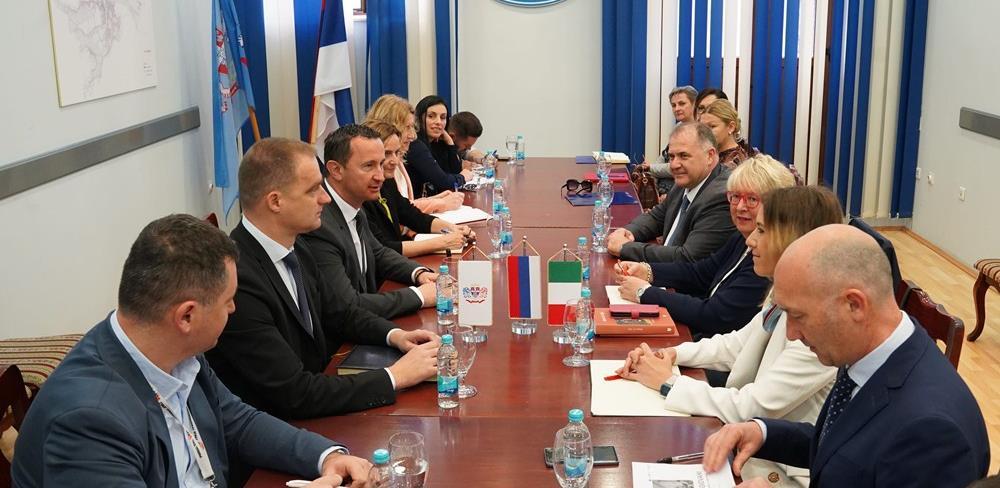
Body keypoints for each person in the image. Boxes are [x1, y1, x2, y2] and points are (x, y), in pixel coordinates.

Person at [12, 214, 372, 487]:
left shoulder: (176, 351)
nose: (234, 309)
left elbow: (237, 421)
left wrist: (325, 456)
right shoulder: (90, 420)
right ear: (186, 316)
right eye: (228, 301)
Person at [702, 224, 991, 487]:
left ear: (854, 305)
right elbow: (843, 445)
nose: (791, 333)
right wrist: (762, 432)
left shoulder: (931, 433)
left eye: (798, 316)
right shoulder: (869, 351)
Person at [617, 185, 844, 487]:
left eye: (761, 231)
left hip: (774, 473)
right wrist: (671, 354)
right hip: (747, 452)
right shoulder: (786, 292)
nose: (750, 240)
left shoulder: (820, 326)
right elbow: (736, 344)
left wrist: (668, 383)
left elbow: (753, 406)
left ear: (793, 242)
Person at [207, 137, 439, 419]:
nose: (326, 198)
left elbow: (341, 313)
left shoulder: (296, 246)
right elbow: (296, 394)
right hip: (284, 426)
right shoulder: (238, 280)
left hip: (319, 402)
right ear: (275, 201)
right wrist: (395, 376)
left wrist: (396, 336)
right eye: (313, 190)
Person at [615, 155, 794, 338]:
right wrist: (647, 271)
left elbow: (715, 315)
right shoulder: (742, 238)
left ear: (776, 206)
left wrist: (644, 292)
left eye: (752, 199)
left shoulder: (768, 258)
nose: (740, 207)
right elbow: (700, 272)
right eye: (735, 197)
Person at [607, 122, 736, 264]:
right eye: (672, 157)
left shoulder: (722, 196)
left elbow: (687, 258)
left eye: (684, 156)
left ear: (710, 156)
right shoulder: (688, 179)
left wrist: (625, 248)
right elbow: (657, 217)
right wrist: (628, 232)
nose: (674, 165)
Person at [362, 119, 475, 257]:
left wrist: (452, 229)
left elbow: (411, 215)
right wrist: (443, 242)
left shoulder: (387, 182)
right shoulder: (362, 195)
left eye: (397, 153)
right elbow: (382, 248)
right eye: (387, 154)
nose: (395, 161)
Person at [365, 94, 464, 213]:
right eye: (407, 127)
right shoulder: (381, 168)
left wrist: (437, 199)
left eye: (412, 127)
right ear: (390, 126)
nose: (413, 135)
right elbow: (398, 211)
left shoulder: (398, 159)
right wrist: (441, 203)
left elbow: (405, 204)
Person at [406, 95, 473, 196]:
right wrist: (463, 177)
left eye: (443, 117)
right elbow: (443, 182)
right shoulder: (415, 145)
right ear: (419, 119)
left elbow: (454, 172)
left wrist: (450, 143)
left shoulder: (437, 143)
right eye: (431, 116)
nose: (438, 122)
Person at [647, 85, 699, 194]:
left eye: (682, 104)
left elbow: (680, 165)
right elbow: (665, 155)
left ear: (695, 104)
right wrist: (650, 174)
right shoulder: (678, 126)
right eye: (673, 105)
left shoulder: (700, 131)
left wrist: (650, 168)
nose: (677, 109)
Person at [701, 99, 750, 169]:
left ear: (731, 127)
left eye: (712, 126)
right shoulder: (707, 154)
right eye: (703, 127)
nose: (705, 132)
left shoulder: (737, 161)